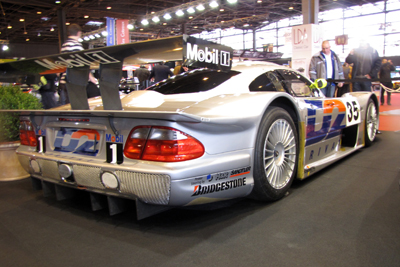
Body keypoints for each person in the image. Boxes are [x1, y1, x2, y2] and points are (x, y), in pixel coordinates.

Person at [59, 24, 97, 104]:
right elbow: (82, 63)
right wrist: (91, 77)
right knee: (78, 105)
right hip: (75, 81)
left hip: (66, 80)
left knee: (69, 104)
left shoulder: (64, 45)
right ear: (79, 33)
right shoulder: (76, 45)